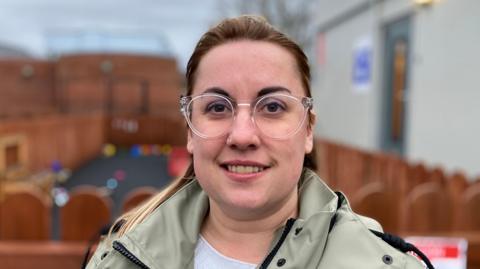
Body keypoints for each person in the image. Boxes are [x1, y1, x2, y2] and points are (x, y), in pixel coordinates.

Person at [86, 15, 431, 269]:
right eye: (218, 107)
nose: (242, 135)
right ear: (190, 131)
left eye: (273, 107)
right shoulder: (118, 260)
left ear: (308, 129)